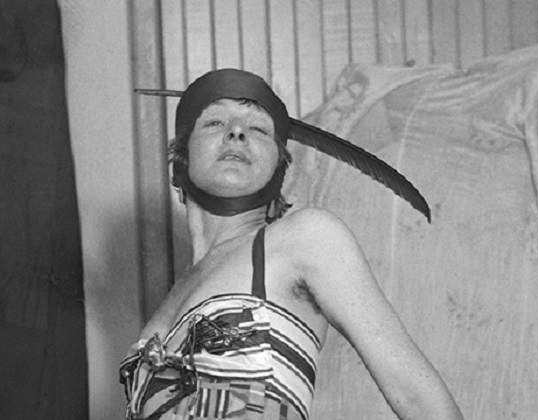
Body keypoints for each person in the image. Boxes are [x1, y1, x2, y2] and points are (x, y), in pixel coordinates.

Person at [119, 68, 464, 420]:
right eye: (215, 122)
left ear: (278, 165)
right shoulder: (170, 300)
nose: (237, 132)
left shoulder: (305, 238)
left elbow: (416, 396)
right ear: (183, 153)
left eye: (258, 128)